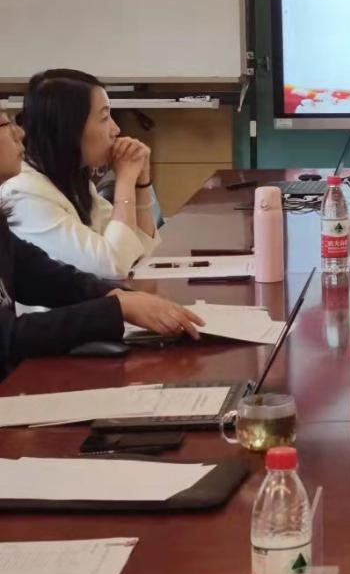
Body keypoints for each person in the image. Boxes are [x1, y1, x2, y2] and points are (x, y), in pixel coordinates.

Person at [0, 109, 201, 379]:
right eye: (5, 124)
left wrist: (120, 297)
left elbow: (47, 278)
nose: (20, 133)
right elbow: (9, 336)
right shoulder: (25, 191)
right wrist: (117, 308)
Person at [0, 70, 159, 279]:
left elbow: (139, 249)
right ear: (68, 127)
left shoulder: (71, 179)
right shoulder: (23, 194)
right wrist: (125, 181)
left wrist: (141, 183)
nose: (116, 129)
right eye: (104, 118)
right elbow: (113, 265)